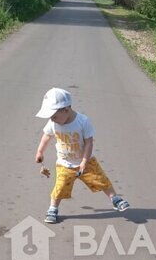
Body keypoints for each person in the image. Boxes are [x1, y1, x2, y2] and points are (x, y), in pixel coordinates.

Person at [35, 87, 129, 224]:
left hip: (86, 161)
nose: (52, 119)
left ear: (66, 109)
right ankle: (52, 209)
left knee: (100, 179)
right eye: (50, 117)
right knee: (60, 187)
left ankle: (115, 199)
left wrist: (84, 161)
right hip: (64, 164)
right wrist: (40, 152)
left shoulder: (83, 121)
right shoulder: (53, 123)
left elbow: (89, 143)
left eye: (54, 116)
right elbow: (46, 137)